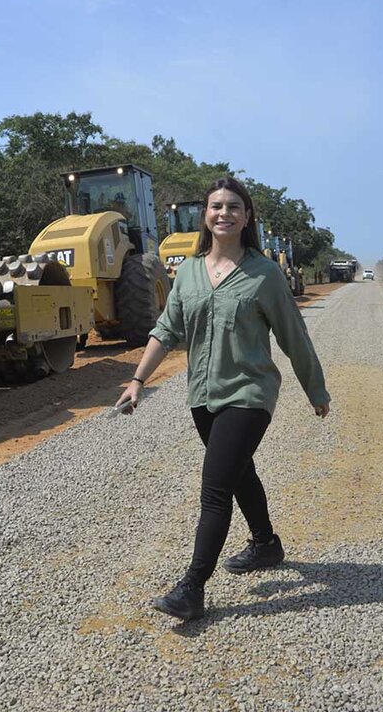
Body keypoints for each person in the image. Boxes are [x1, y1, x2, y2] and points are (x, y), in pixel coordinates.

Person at [113, 176, 330, 621]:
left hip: (250, 394)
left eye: (234, 206)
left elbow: (294, 336)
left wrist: (316, 389)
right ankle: (266, 544)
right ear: (205, 216)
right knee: (238, 472)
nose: (224, 213)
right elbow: (166, 330)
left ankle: (192, 588)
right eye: (216, 206)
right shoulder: (189, 272)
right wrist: (137, 380)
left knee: (215, 489)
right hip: (203, 395)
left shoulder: (265, 273)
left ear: (247, 217)